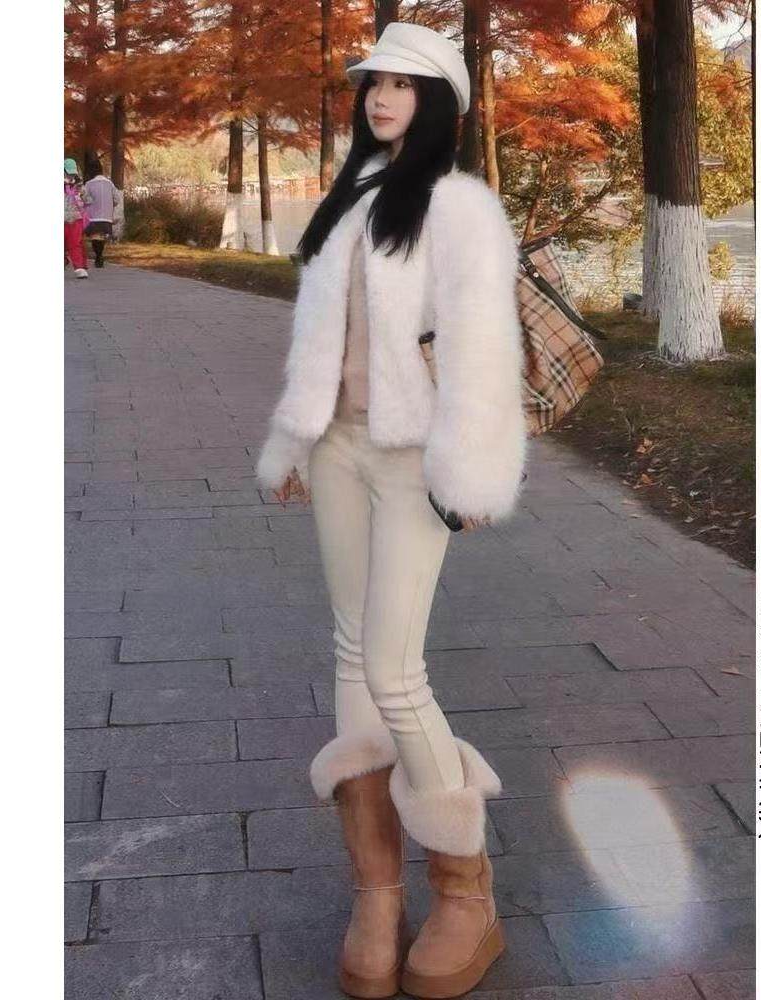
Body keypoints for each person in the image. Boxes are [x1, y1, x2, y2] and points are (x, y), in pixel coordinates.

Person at [255, 21, 527, 1000]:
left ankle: (465, 889)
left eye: (405, 86)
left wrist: (473, 468)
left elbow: (483, 348)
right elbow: (317, 337)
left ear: (438, 102)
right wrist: (294, 438)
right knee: (349, 655)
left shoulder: (459, 208)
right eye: (375, 82)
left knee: (392, 669)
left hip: (414, 459)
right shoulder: (352, 196)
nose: (382, 97)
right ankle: (377, 893)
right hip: (337, 446)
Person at [82, 154, 121, 268]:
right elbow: (117, 199)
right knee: (101, 237)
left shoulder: (89, 184)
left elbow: (85, 199)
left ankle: (98, 256)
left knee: (95, 237)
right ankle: (100, 256)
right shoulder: (110, 183)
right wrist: (110, 205)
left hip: (93, 217)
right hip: (107, 218)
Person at [64, 158, 91, 278]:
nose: (70, 175)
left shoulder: (78, 185)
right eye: (68, 172)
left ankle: (79, 267)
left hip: (75, 218)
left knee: (75, 243)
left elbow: (88, 200)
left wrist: (80, 191)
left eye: (72, 173)